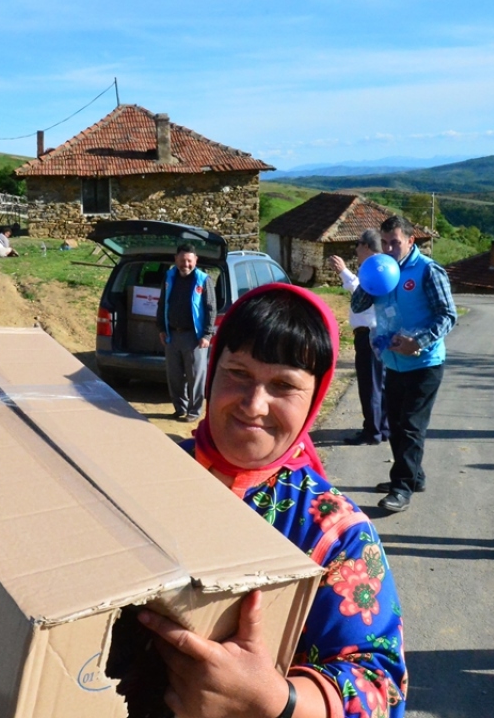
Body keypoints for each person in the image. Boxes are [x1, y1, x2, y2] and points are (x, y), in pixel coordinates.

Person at [140, 283, 408, 718]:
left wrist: (273, 701)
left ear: (315, 398)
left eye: (283, 385)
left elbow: (382, 688)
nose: (254, 404)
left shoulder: (337, 535)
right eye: (238, 373)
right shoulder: (149, 472)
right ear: (213, 371)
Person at [352, 215, 456, 512]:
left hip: (425, 363)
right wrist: (370, 277)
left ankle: (401, 488)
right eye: (384, 243)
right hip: (393, 362)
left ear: (411, 241)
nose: (389, 248)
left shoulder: (428, 270)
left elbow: (448, 315)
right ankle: (414, 477)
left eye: (395, 242)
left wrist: (419, 341)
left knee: (410, 425)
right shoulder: (382, 267)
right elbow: (358, 305)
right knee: (396, 425)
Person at [329, 229, 389, 447]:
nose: (355, 249)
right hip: (378, 332)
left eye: (357, 244)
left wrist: (344, 272)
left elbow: (362, 296)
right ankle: (382, 427)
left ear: (366, 245)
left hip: (368, 333)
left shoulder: (371, 267)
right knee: (379, 383)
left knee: (370, 383)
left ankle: (372, 431)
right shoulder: (381, 266)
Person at [157, 242, 217, 422]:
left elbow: (211, 309)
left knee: (195, 378)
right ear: (176, 259)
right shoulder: (169, 278)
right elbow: (162, 304)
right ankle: (179, 408)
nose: (186, 265)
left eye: (189, 261)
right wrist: (161, 328)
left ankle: (194, 411)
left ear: (195, 260)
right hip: (172, 335)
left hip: (195, 338)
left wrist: (207, 335)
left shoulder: (203, 280)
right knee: (174, 376)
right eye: (182, 261)